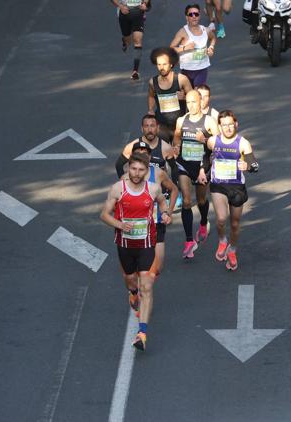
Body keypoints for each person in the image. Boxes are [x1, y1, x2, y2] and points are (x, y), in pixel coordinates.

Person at [101, 152, 172, 351]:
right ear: (128, 168)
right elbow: (104, 215)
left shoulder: (153, 189)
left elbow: (162, 202)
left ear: (146, 170)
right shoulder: (118, 189)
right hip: (125, 245)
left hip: (147, 243)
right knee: (131, 280)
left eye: (141, 170)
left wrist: (166, 213)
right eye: (133, 169)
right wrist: (119, 224)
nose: (137, 173)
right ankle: (132, 293)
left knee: (147, 286)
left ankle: (142, 333)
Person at [204, 110, 258, 270]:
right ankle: (222, 240)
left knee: (234, 224)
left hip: (236, 187)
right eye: (224, 125)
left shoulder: (243, 143)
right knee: (221, 219)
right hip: (218, 185)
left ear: (236, 124)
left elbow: (255, 165)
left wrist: (247, 166)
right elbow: (206, 156)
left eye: (230, 124)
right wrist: (202, 169)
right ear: (219, 127)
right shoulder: (213, 141)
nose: (227, 128)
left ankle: (232, 249)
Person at [172, 90, 220, 258]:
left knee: (200, 199)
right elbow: (177, 138)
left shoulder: (209, 121)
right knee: (186, 201)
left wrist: (205, 140)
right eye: (188, 102)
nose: (191, 106)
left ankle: (203, 222)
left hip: (202, 167)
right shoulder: (181, 120)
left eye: (194, 102)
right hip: (184, 164)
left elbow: (219, 144)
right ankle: (189, 240)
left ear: (201, 102)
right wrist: (176, 146)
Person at [123, 141, 179, 276]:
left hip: (156, 224)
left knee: (157, 269)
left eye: (145, 153)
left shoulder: (159, 173)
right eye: (138, 153)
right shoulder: (125, 178)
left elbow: (174, 190)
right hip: (136, 226)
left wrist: (169, 212)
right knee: (139, 267)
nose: (142, 156)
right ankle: (138, 290)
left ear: (149, 157)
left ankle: (142, 287)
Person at [148, 47, 193, 144]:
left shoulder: (181, 79)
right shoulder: (153, 82)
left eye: (164, 64)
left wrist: (184, 97)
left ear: (171, 64)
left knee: (179, 154)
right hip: (161, 125)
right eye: (159, 64)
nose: (161, 67)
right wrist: (151, 109)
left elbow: (194, 97)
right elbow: (151, 96)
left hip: (179, 125)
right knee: (162, 153)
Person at [170, 4, 217, 88]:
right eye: (191, 14)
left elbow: (213, 38)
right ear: (186, 17)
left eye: (196, 14)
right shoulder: (182, 32)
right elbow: (171, 48)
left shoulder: (206, 30)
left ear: (199, 16)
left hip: (202, 69)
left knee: (198, 94)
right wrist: (185, 48)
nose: (194, 16)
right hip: (187, 70)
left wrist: (211, 47)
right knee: (188, 96)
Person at [115, 114, 177, 178]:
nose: (149, 130)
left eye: (152, 126)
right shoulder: (132, 146)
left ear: (158, 128)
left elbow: (174, 168)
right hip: (140, 186)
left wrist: (174, 185)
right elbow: (119, 165)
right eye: (146, 126)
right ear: (142, 129)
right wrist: (124, 183)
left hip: (159, 186)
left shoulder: (166, 148)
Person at [111, 0, 151, 80]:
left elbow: (148, 4)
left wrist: (146, 7)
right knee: (128, 40)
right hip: (124, 13)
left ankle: (135, 71)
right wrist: (121, 6)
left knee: (137, 41)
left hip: (138, 14)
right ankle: (125, 41)